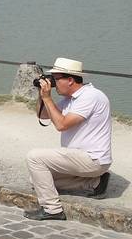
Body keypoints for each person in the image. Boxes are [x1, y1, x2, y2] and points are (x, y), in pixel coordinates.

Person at [24, 58, 113, 221]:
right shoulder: (70, 99)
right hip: (79, 157)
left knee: (34, 157)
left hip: (93, 159)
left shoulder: (90, 96)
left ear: (70, 80)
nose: (53, 83)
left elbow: (61, 125)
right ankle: (94, 183)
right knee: (36, 179)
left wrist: (49, 98)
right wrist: (42, 95)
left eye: (56, 79)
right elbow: (43, 115)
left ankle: (52, 209)